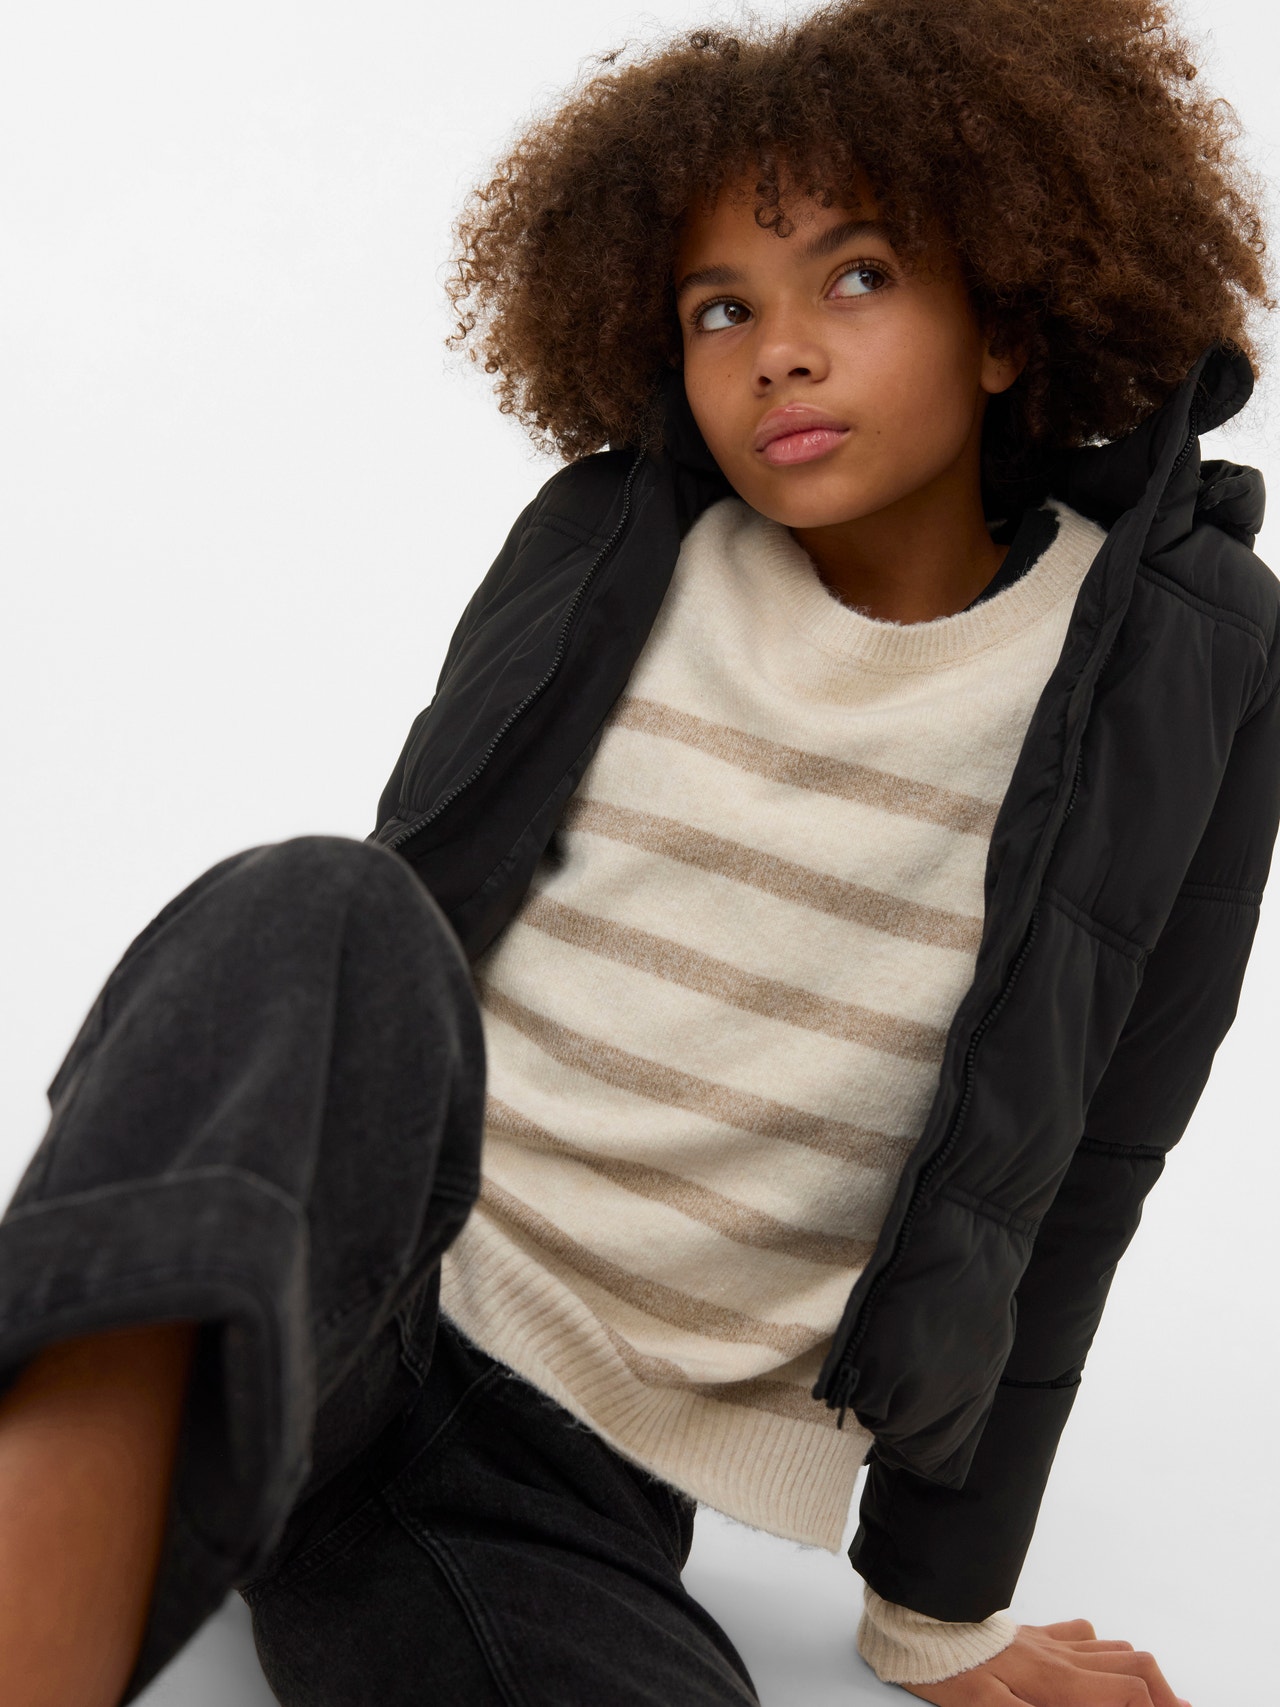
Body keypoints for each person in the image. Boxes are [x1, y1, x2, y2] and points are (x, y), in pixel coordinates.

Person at [0, 0, 1274, 1702]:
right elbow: (401, 925)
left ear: (1004, 321)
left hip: (547, 1491)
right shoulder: (618, 545)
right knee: (322, 905)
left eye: (858, 277)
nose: (780, 351)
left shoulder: (1182, 661)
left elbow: (1091, 1162)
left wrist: (937, 1614)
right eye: (720, 308)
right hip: (348, 1287)